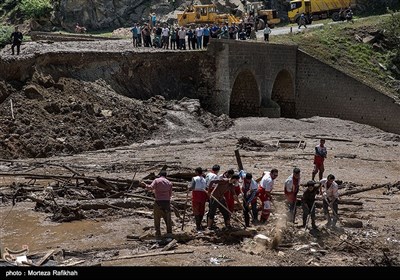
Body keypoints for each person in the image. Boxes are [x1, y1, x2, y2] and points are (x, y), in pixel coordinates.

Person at [143, 170, 173, 238]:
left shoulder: (156, 180)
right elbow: (170, 195)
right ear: (166, 176)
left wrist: (145, 185)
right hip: (166, 202)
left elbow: (150, 188)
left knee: (157, 218)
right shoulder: (169, 183)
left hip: (158, 201)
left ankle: (158, 233)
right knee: (168, 219)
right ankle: (169, 233)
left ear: (159, 175)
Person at [189, 167, 208, 231]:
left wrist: (188, 187)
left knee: (196, 210)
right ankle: (199, 223)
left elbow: (192, 187)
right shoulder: (204, 179)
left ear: (197, 172)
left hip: (196, 194)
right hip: (203, 195)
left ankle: (198, 225)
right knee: (201, 210)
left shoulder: (194, 178)